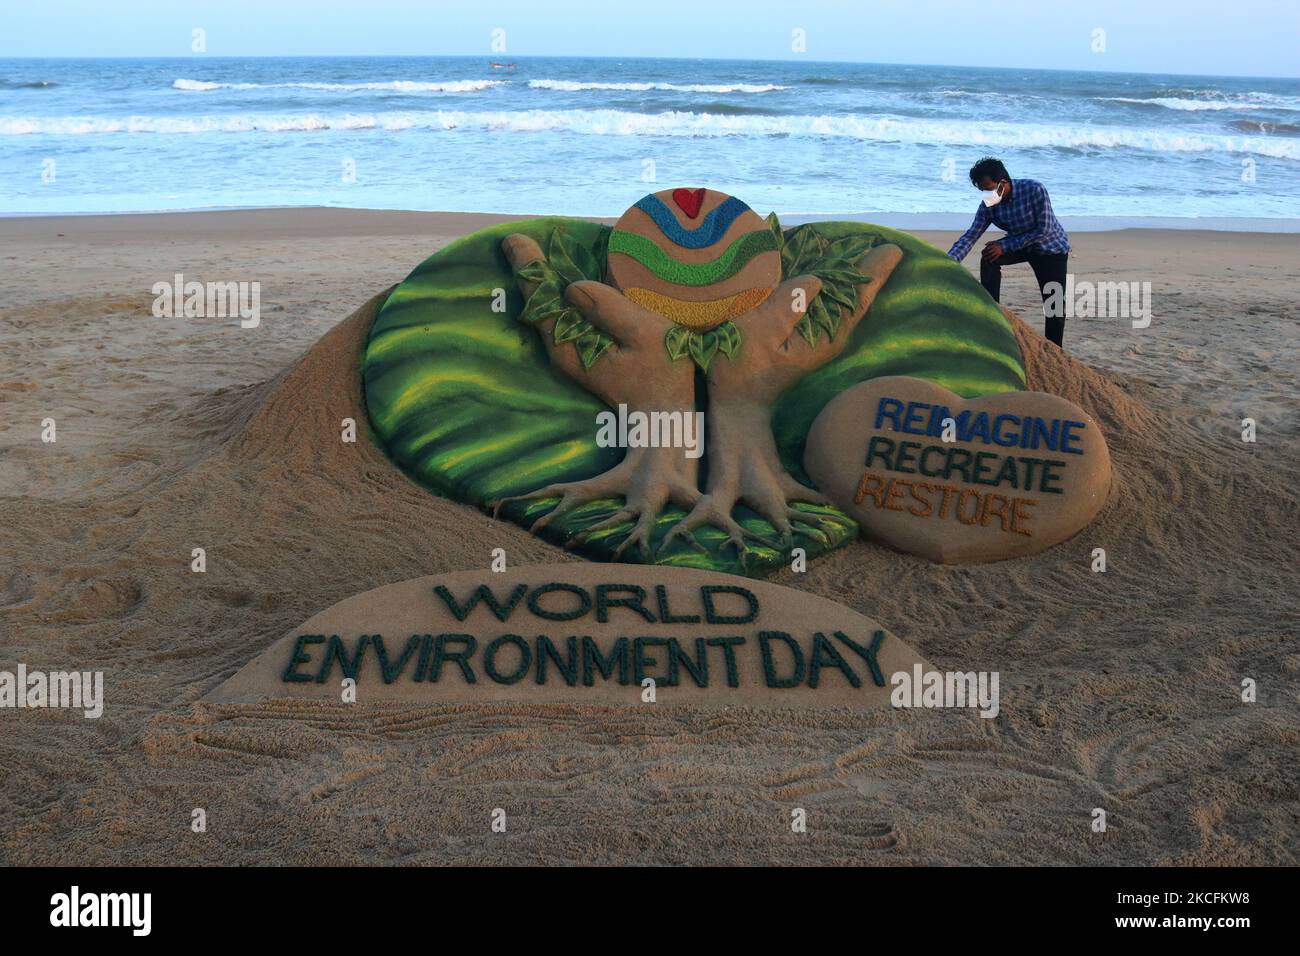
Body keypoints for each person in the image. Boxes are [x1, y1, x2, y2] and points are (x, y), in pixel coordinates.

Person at [947, 157, 1071, 348]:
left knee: (1054, 304)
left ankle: (1055, 350)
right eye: (983, 191)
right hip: (1020, 245)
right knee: (989, 255)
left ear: (1003, 182)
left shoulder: (1034, 190)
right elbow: (970, 236)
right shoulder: (989, 205)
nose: (988, 195)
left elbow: (1043, 229)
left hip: (1050, 248)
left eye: (990, 189)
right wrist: (948, 262)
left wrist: (1004, 246)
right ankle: (993, 315)